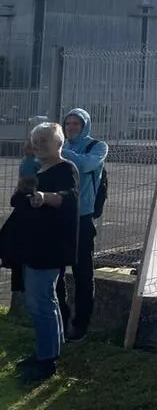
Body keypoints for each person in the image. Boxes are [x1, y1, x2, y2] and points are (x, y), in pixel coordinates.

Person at [20, 107, 107, 342]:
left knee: (83, 273)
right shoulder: (55, 149)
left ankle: (81, 324)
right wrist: (34, 152)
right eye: (67, 124)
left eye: (76, 124)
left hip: (82, 217)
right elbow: (29, 171)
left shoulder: (97, 147)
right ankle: (61, 320)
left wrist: (57, 150)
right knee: (53, 272)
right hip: (56, 217)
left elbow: (86, 166)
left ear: (85, 125)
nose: (71, 128)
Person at [10, 122, 79, 383]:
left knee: (41, 303)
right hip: (32, 245)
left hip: (49, 248)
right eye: (35, 140)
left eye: (44, 140)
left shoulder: (66, 168)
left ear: (58, 144)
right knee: (40, 301)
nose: (38, 145)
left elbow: (69, 197)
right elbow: (17, 200)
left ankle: (47, 360)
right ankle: (47, 351)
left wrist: (44, 197)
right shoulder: (37, 169)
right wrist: (26, 186)